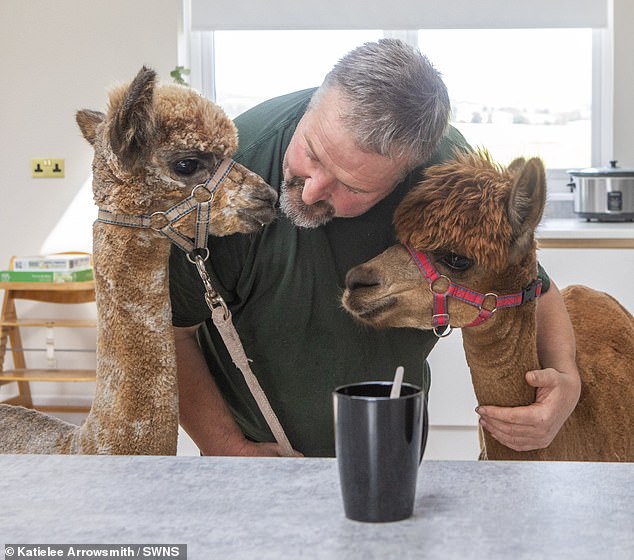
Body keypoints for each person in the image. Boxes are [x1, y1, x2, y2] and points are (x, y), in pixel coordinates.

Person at [169, 39, 581, 457]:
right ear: (314, 106)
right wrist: (226, 447)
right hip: (257, 466)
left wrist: (566, 380)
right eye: (311, 154)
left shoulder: (445, 170)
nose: (310, 191)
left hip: (392, 449)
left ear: (406, 175)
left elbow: (527, 286)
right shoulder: (223, 181)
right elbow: (172, 332)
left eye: (350, 186)